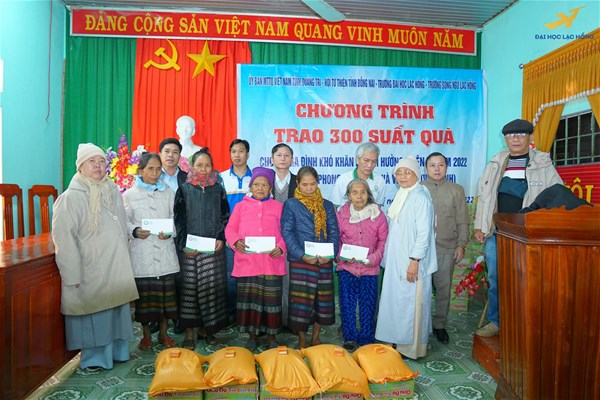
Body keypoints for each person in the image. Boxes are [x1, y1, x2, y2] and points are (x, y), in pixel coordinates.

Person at [52, 143, 139, 371]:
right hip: (91, 267)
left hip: (115, 264)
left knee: (116, 312)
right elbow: (64, 239)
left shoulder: (111, 189)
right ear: (80, 166)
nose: (98, 166)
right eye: (92, 161)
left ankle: (118, 353)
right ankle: (95, 359)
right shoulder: (71, 197)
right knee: (95, 315)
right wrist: (71, 274)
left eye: (101, 161)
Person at [474, 119, 562, 337]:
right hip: (497, 231)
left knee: (527, 279)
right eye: (511, 136)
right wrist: (479, 227)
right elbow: (484, 198)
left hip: (527, 234)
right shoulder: (496, 164)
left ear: (530, 137)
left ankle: (524, 323)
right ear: (505, 139)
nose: (515, 139)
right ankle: (496, 321)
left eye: (521, 135)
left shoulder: (543, 165)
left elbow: (558, 196)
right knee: (495, 279)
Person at [375, 156, 437, 359]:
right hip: (397, 260)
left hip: (412, 262)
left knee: (410, 303)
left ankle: (410, 347)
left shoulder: (420, 197)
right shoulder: (403, 194)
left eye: (407, 172)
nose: (402, 176)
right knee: (397, 301)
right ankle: (395, 339)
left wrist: (414, 260)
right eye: (399, 173)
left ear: (416, 174)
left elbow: (424, 233)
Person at [225, 167, 287, 351]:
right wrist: (236, 241)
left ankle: (272, 337)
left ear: (270, 188)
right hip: (247, 264)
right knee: (250, 301)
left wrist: (280, 247)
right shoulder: (240, 206)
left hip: (271, 263)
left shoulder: (279, 207)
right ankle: (252, 336)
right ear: (250, 187)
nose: (260, 188)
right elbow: (230, 229)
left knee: (271, 302)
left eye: (264, 185)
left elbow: (286, 232)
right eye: (256, 184)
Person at [174, 148, 230, 350]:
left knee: (211, 289)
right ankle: (190, 333)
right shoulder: (184, 189)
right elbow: (179, 219)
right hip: (190, 249)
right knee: (190, 290)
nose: (204, 169)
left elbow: (225, 216)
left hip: (213, 248)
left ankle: (208, 330)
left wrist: (221, 238)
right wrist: (183, 244)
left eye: (207, 165)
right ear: (192, 166)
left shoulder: (218, 188)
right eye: (199, 165)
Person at [123, 152, 179, 351]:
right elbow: (124, 221)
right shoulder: (129, 195)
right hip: (142, 253)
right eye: (150, 169)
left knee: (166, 300)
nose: (155, 173)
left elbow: (176, 218)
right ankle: (146, 335)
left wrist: (170, 232)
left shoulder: (169, 193)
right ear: (140, 170)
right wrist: (135, 231)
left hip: (165, 252)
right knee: (145, 301)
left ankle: (164, 334)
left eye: (158, 169)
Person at [281, 166, 340, 349]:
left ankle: (315, 337)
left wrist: (329, 255)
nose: (309, 188)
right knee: (301, 302)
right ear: (298, 183)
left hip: (323, 261)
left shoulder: (327, 205)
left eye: (312, 184)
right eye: (305, 184)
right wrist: (301, 255)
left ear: (318, 183)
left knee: (321, 300)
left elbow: (334, 232)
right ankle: (302, 339)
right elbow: (287, 233)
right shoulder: (291, 204)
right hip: (301, 261)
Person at [421, 152, 469, 345]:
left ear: (446, 168)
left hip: (446, 247)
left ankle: (440, 325)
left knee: (443, 288)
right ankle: (420, 325)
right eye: (432, 165)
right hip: (422, 250)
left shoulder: (456, 190)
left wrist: (461, 244)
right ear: (426, 168)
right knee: (421, 290)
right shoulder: (418, 189)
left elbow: (462, 219)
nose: (437, 169)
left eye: (441, 165)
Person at [336, 179, 388, 352]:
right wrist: (343, 256)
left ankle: (366, 338)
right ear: (348, 196)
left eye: (363, 192)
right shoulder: (341, 214)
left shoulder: (378, 215)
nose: (359, 196)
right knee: (347, 305)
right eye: (354, 192)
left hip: (369, 268)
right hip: (347, 268)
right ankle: (350, 337)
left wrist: (374, 258)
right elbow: (336, 239)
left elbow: (383, 241)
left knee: (368, 305)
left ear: (369, 195)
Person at [220, 139, 252, 323]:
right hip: (230, 236)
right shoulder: (222, 178)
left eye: (241, 151)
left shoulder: (256, 178)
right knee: (230, 276)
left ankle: (248, 313)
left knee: (250, 277)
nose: (237, 155)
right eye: (233, 151)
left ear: (248, 154)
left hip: (252, 238)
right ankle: (232, 313)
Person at [270, 143, 297, 326]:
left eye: (287, 155)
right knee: (269, 282)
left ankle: (287, 321)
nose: (283, 158)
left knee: (289, 281)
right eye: (279, 155)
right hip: (268, 239)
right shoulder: (265, 181)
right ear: (272, 159)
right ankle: (270, 322)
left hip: (291, 239)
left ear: (292, 159)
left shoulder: (298, 182)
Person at [329, 143, 386, 207]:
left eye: (374, 161)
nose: (370, 165)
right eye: (366, 160)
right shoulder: (343, 179)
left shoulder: (379, 181)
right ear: (357, 159)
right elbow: (334, 206)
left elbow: (378, 207)